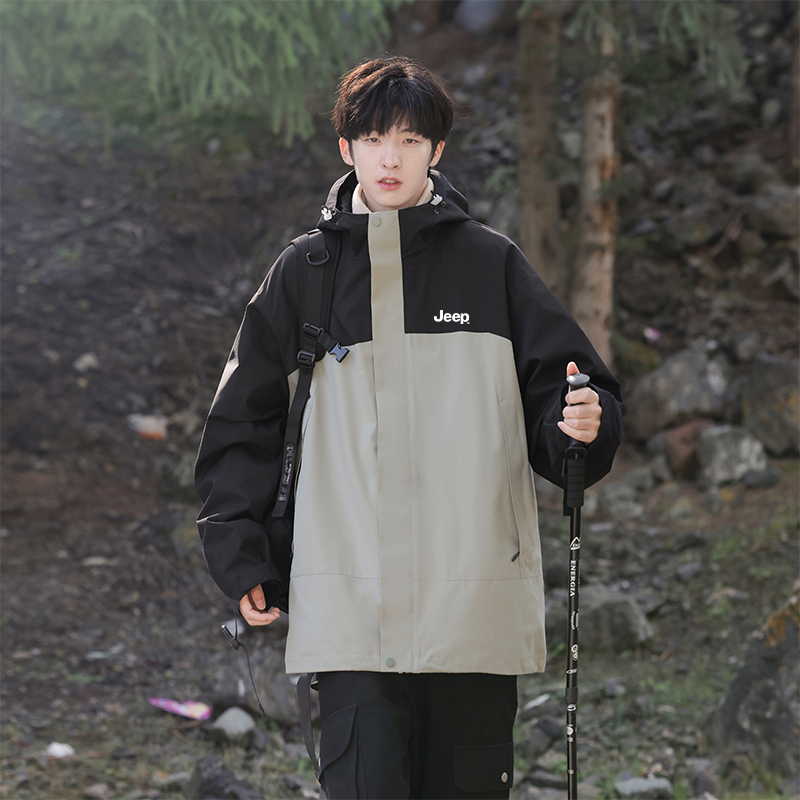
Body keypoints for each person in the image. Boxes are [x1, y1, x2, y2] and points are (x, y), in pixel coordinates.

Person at [196, 56, 623, 800]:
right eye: (372, 139)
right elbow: (243, 420)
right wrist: (240, 553)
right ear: (346, 148)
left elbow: (569, 392)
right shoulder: (304, 273)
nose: (389, 158)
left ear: (436, 151)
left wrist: (584, 423)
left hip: (474, 605)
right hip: (347, 608)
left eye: (409, 140)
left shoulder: (491, 264)